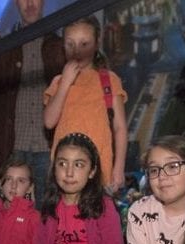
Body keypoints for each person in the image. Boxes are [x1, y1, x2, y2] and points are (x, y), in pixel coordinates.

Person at [0, 0, 64, 207]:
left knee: (47, 208)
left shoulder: (59, 46)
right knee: (10, 209)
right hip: (12, 143)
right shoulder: (3, 46)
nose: (30, 4)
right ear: (16, 3)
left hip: (48, 144)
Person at [43, 16, 128, 193]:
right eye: (70, 44)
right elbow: (49, 121)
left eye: (84, 44)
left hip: (99, 169)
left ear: (96, 44)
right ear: (63, 46)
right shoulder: (58, 82)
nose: (77, 51)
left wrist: (118, 167)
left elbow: (120, 127)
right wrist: (65, 83)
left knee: (96, 209)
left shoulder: (109, 80)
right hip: (65, 172)